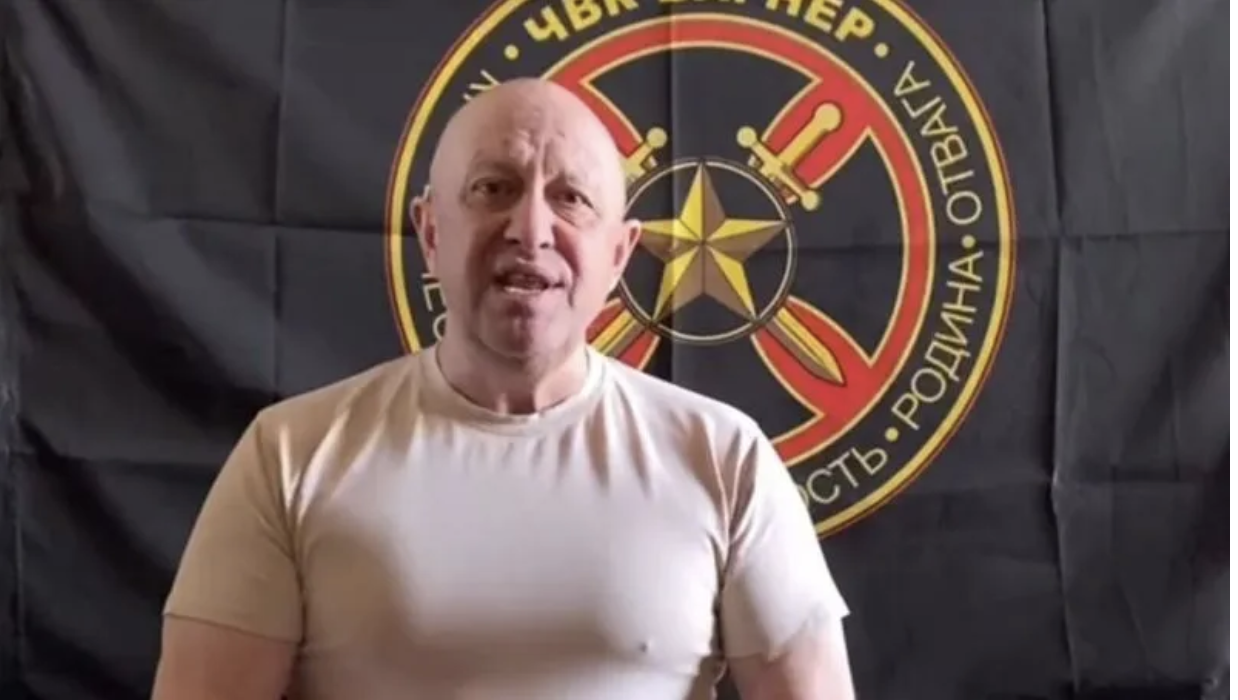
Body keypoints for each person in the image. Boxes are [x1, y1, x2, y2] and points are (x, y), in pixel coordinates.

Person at [151, 77, 857, 700]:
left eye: (570, 198)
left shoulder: (725, 458)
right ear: (431, 232)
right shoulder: (289, 457)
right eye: (494, 188)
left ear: (619, 254)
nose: (530, 229)